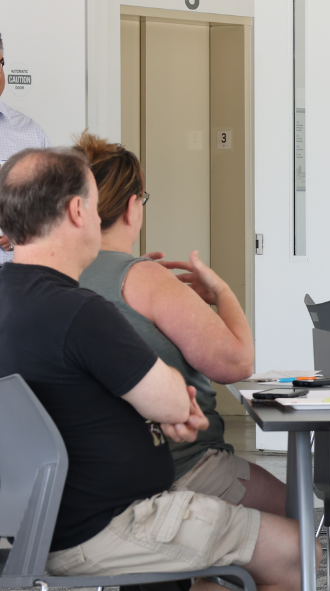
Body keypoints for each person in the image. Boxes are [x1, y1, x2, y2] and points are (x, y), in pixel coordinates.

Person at [0, 147, 306, 590]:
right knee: (296, 553)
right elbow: (170, 399)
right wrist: (175, 409)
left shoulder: (13, 298)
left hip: (40, 528)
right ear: (77, 210)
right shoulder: (80, 311)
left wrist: (169, 410)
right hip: (107, 528)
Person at [73, 132, 286, 516]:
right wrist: (222, 292)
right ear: (131, 206)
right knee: (298, 516)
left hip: (91, 476)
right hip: (180, 467)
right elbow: (236, 364)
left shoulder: (58, 275)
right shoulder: (147, 279)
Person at [0, 32, 51, 266]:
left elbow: (51, 201)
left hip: (16, 276)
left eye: (0, 63)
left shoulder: (30, 132)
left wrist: (22, 231)